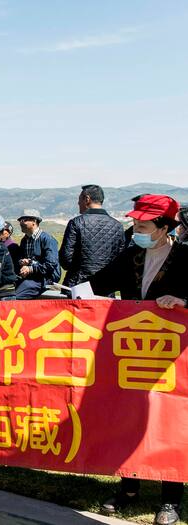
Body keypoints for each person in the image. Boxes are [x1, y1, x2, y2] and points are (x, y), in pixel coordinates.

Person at [90, 194, 187, 525]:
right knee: (128, 421)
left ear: (163, 228)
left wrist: (183, 302)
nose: (136, 230)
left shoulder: (186, 257)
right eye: (134, 224)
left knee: (170, 424)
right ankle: (128, 486)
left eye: (143, 226)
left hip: (173, 359)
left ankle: (171, 498)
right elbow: (97, 284)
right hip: (133, 355)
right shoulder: (132, 256)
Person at [59, 184, 125, 288]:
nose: (78, 203)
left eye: (79, 199)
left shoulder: (76, 223)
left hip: (78, 285)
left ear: (87, 199)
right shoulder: (118, 226)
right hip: (106, 286)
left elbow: (65, 260)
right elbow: (120, 260)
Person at [13, 210, 61, 299]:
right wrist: (23, 262)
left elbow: (50, 264)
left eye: (24, 220)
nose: (21, 223)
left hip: (45, 278)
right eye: (20, 221)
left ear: (34, 221)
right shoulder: (24, 240)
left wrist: (30, 269)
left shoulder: (47, 239)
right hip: (31, 277)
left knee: (16, 297)